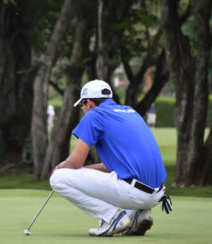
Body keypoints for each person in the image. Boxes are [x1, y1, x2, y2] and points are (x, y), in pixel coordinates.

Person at [50, 79, 172, 237]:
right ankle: (139, 215)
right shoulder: (130, 112)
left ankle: (113, 218)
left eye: (82, 105)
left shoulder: (94, 115)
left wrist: (62, 166)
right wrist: (84, 172)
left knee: (57, 178)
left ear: (89, 103)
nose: (83, 109)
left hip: (135, 193)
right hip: (157, 194)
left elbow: (76, 162)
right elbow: (115, 166)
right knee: (118, 180)